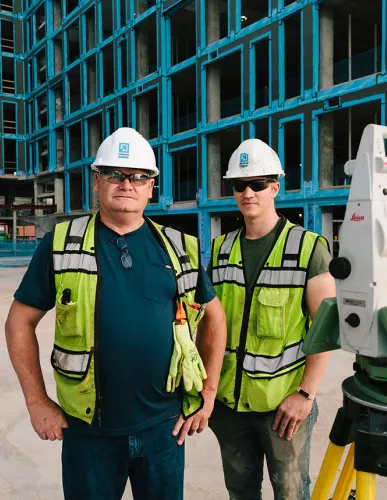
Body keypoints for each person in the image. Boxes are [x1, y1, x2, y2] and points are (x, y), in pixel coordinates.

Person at [5, 127, 226, 500]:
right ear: (96, 181)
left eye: (139, 177)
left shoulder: (179, 247)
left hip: (164, 431)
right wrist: (37, 401)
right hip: (89, 434)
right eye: (114, 174)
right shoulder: (60, 244)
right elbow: (18, 322)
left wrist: (208, 391)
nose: (127, 184)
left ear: (151, 185)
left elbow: (214, 316)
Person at [207, 139, 337, 500]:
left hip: (284, 407)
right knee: (240, 492)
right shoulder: (220, 250)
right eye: (239, 185)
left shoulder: (309, 248)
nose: (248, 193)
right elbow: (207, 324)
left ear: (275, 188)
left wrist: (306, 394)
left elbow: (326, 329)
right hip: (229, 407)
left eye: (258, 184)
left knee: (291, 493)